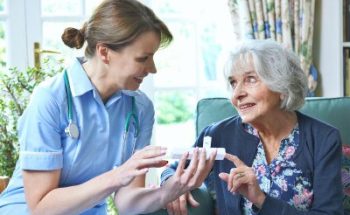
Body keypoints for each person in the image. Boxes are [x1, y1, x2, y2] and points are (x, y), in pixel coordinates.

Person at [0, 0, 217, 214]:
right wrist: (117, 176)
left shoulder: (139, 107)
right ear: (104, 52)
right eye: (143, 58)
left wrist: (170, 190)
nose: (152, 69)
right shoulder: (50, 98)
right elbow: (41, 207)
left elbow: (126, 202)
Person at [161, 39, 344, 214]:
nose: (237, 94)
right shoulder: (218, 134)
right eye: (233, 83)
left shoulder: (324, 139)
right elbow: (172, 170)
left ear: (282, 86)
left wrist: (261, 200)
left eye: (250, 79)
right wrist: (174, 186)